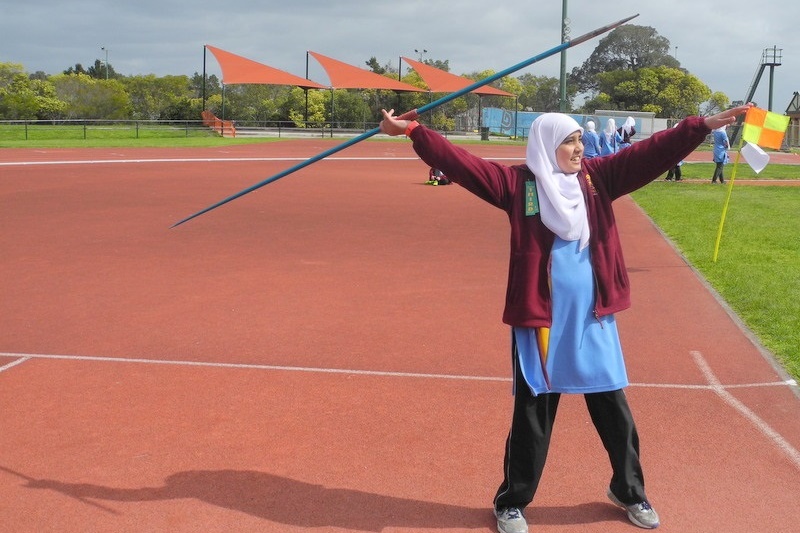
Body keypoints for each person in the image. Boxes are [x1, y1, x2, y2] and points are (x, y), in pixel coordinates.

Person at [379, 102, 751, 533]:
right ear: (546, 145)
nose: (578, 148)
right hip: (541, 321)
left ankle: (629, 490)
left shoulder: (598, 179)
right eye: (568, 141)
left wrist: (699, 126)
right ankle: (512, 502)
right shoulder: (516, 185)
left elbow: (650, 154)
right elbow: (460, 163)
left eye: (578, 139)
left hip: (593, 320)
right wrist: (413, 132)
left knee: (614, 409)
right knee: (533, 413)